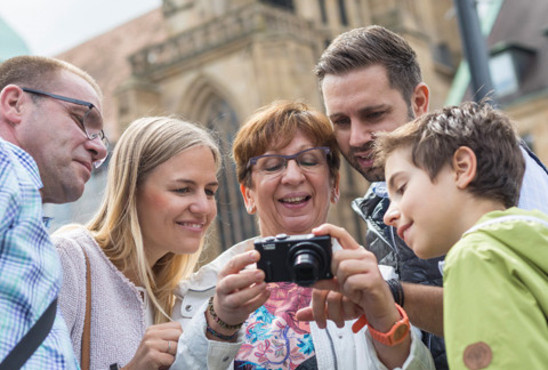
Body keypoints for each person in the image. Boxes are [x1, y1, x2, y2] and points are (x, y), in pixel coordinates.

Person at [312, 25, 548, 368]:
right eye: (341, 122)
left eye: (373, 115)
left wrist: (390, 294)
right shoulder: (379, 213)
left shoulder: (496, 169)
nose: (358, 137)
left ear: (419, 101)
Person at [171, 100, 434, 369]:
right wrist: (218, 324)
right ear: (248, 195)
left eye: (309, 161)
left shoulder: (378, 282)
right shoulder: (198, 295)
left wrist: (384, 314)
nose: (293, 177)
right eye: (272, 166)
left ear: (334, 185)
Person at [53, 116, 269, 369]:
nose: (203, 207)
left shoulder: (175, 296)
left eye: (209, 191)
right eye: (182, 189)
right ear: (132, 188)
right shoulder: (69, 259)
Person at [376, 101, 548, 369]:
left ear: (463, 167)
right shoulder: (529, 243)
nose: (389, 214)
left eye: (401, 187)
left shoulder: (475, 256)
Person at [0, 55, 107, 369]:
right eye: (79, 118)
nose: (99, 149)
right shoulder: (8, 166)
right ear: (15, 104)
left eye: (100, 135)